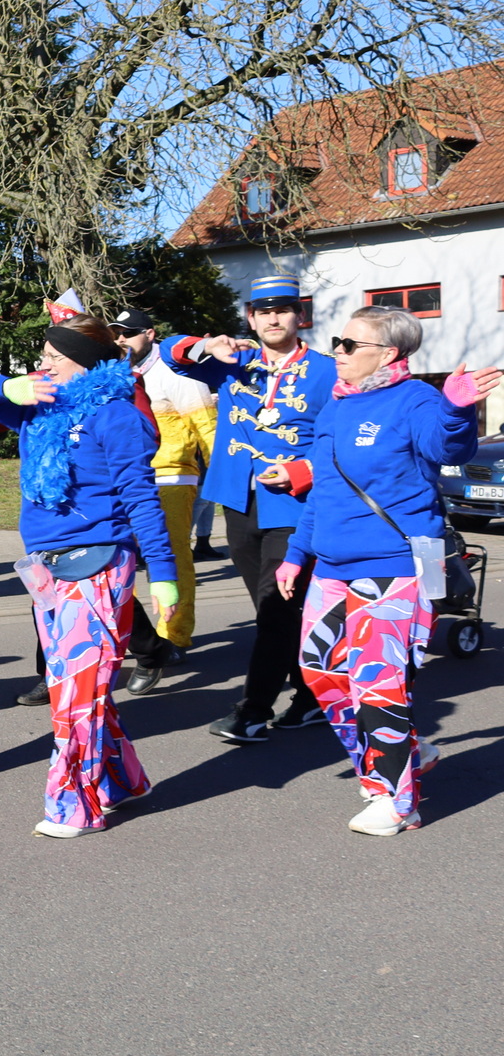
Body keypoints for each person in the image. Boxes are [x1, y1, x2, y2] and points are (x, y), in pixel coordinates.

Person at [279, 308, 499, 836]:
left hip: (394, 564)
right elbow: (324, 489)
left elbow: (446, 447)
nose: (337, 350)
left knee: (378, 685)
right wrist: (296, 553)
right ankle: (405, 751)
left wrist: (456, 409)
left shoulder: (415, 399)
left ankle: (396, 801)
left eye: (350, 344)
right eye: (338, 341)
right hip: (331, 567)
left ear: (388, 354)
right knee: (320, 672)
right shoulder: (336, 405)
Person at [0, 315, 180, 837]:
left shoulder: (117, 415)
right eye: (42, 356)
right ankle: (124, 782)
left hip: (100, 562)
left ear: (83, 362)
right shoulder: (39, 406)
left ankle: (73, 806)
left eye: (54, 357)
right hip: (46, 565)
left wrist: (164, 575)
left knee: (77, 693)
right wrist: (9, 387)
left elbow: (142, 499)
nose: (43, 365)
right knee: (72, 686)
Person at [167, 273, 334, 739]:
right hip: (239, 502)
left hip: (293, 507)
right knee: (274, 611)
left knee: (276, 608)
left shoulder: (325, 371)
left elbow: (336, 439)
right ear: (251, 319)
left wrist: (302, 471)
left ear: (299, 316)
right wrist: (206, 344)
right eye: (264, 312)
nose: (273, 319)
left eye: (283, 310)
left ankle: (253, 712)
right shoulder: (233, 361)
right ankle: (313, 696)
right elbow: (168, 352)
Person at [111, 307, 217, 692]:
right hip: (130, 479)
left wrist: (223, 483)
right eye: (117, 333)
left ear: (151, 334)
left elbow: (208, 429)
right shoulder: (120, 373)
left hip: (172, 476)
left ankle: (173, 635)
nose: (121, 340)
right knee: (123, 561)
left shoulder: (176, 373)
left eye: (128, 333)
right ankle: (136, 635)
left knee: (170, 556)